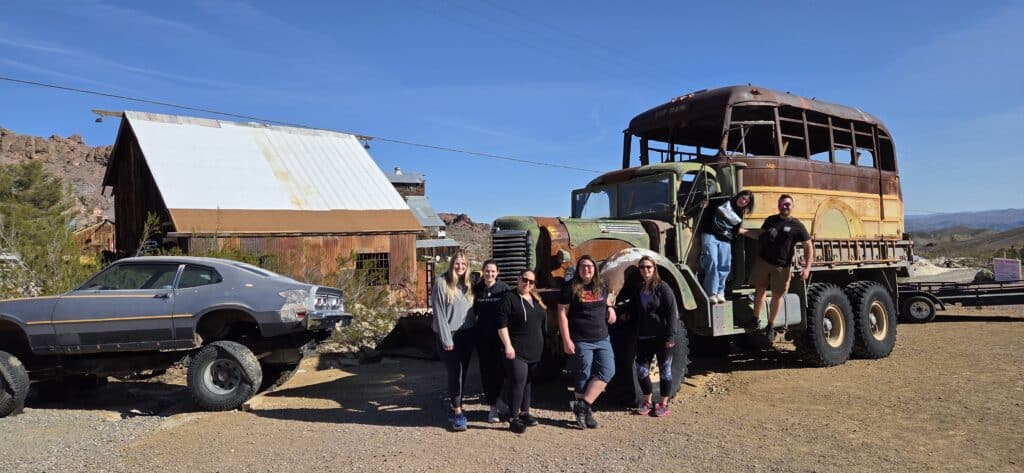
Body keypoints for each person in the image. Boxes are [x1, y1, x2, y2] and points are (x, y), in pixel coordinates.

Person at [558, 255, 616, 429]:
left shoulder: (601, 285)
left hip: (602, 337)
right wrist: (566, 339)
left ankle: (583, 406)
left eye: (590, 266)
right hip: (581, 339)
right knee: (583, 375)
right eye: (583, 266)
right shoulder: (571, 287)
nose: (586, 269)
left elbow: (607, 298)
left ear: (594, 269)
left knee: (608, 370)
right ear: (578, 269)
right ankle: (585, 414)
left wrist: (610, 308)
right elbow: (562, 313)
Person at [750, 194, 814, 340]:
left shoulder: (797, 226)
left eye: (788, 204)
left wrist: (807, 267)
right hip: (763, 262)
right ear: (778, 206)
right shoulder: (771, 220)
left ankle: (771, 326)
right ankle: (755, 319)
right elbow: (760, 234)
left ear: (792, 207)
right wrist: (741, 231)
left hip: (782, 267)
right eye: (783, 204)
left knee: (776, 296)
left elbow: (808, 246)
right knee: (759, 290)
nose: (785, 206)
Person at [625, 255, 679, 417]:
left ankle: (663, 403)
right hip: (644, 336)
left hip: (662, 337)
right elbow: (633, 308)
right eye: (642, 267)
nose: (645, 270)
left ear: (654, 268)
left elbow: (672, 313)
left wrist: (670, 337)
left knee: (665, 371)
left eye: (648, 267)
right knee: (641, 370)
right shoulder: (639, 289)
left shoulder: (663, 288)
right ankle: (648, 401)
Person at [497, 270, 546, 434]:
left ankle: (525, 412)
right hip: (517, 350)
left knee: (528, 382)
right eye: (524, 280)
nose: (527, 284)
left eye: (531, 282)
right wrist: (508, 346)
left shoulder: (535, 299)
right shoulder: (509, 298)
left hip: (534, 350)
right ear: (518, 279)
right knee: (517, 382)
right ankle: (513, 417)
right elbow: (502, 324)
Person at [430, 251, 475, 431]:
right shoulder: (441, 283)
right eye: (457, 263)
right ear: (452, 264)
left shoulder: (468, 284)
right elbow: (439, 313)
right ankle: (457, 414)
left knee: (463, 373)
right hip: (449, 334)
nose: (460, 267)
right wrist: (446, 338)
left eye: (463, 264)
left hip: (467, 334)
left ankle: (456, 404)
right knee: (455, 372)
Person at [699, 190, 755, 304]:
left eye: (746, 201)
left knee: (724, 266)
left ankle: (720, 292)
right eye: (743, 197)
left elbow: (735, 230)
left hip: (725, 240)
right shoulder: (723, 199)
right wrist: (705, 202)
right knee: (712, 261)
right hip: (710, 234)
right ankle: (711, 293)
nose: (743, 201)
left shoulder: (739, 214)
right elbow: (709, 200)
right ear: (738, 196)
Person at [472, 259, 510, 423]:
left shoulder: (504, 289)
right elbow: (471, 312)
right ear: (483, 272)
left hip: (500, 338)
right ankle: (492, 407)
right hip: (483, 338)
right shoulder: (477, 290)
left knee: (502, 371)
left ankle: (502, 400)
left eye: (493, 271)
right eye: (487, 271)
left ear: (498, 273)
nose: (490, 274)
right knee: (487, 372)